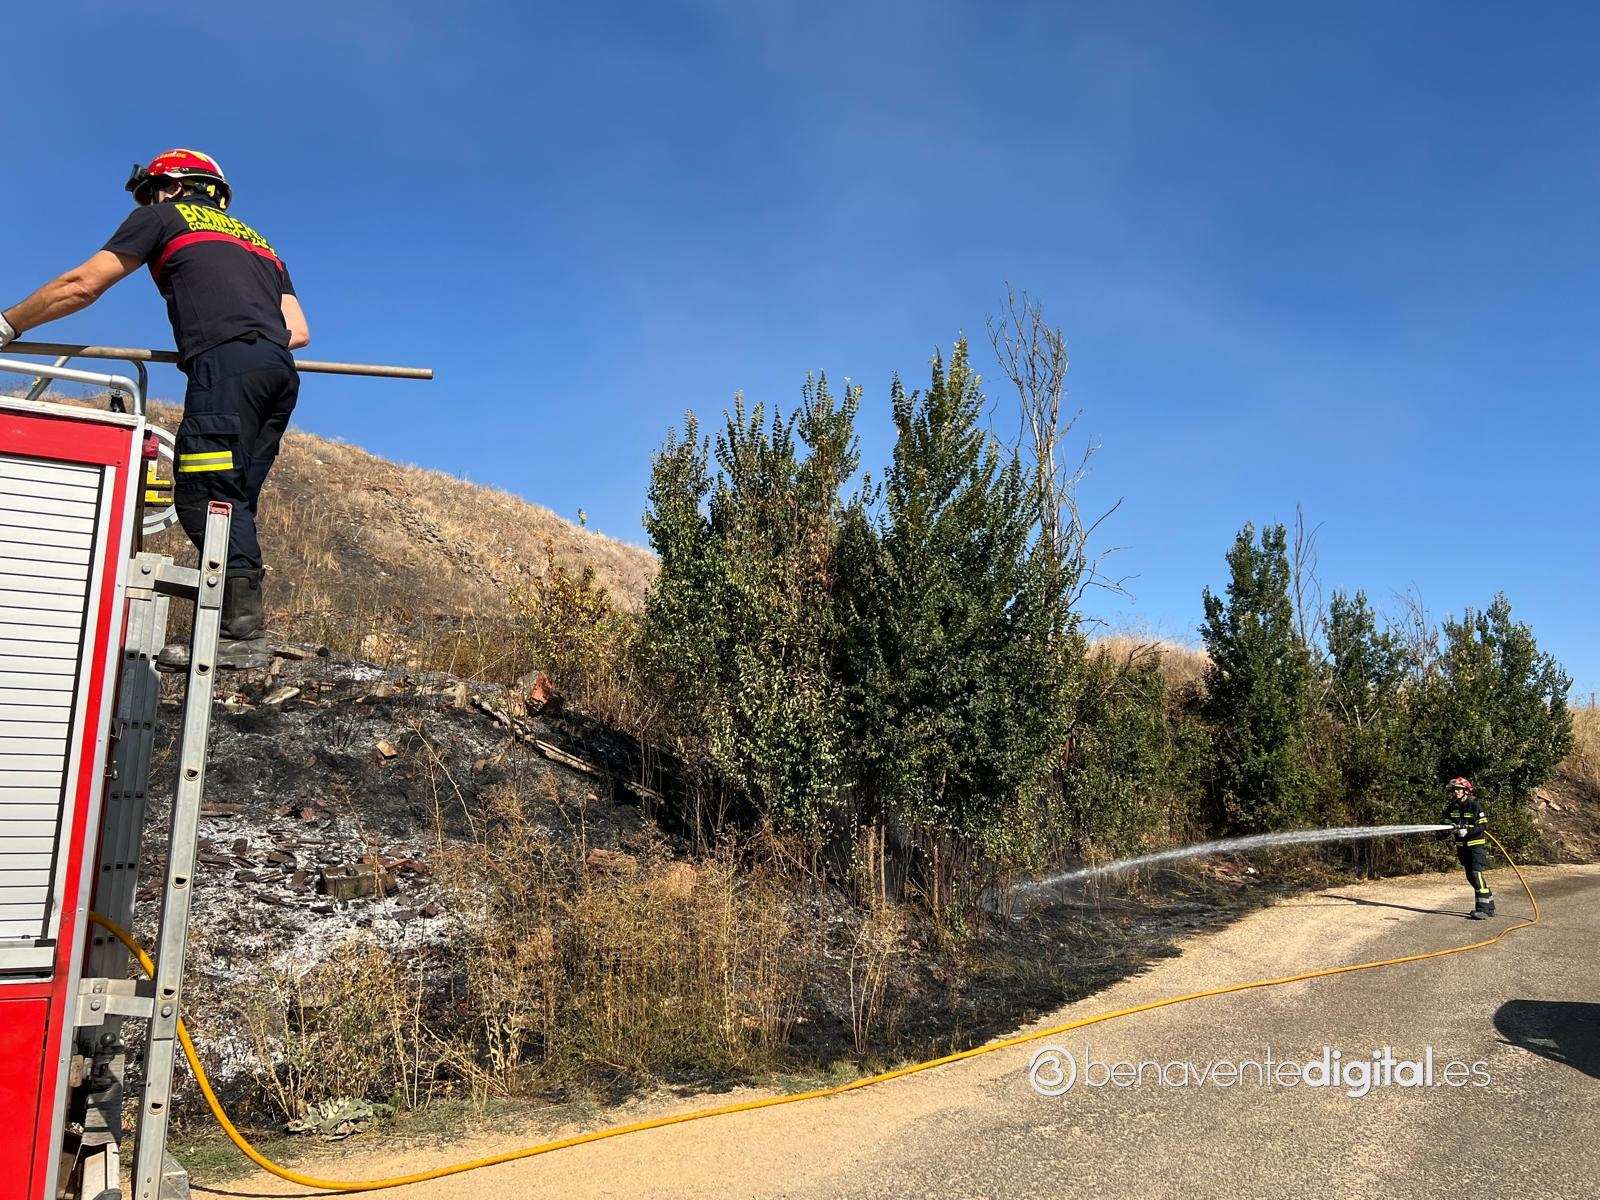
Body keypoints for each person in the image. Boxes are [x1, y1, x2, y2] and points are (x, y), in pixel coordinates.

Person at [0, 148, 309, 668]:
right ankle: (239, 630)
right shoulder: (259, 243)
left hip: (225, 368)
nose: (148, 202)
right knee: (234, 502)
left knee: (205, 495)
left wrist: (10, 324)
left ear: (173, 187)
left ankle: (240, 638)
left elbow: (83, 286)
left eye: (150, 192)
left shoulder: (163, 217)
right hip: (277, 373)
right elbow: (297, 331)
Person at [1442, 777, 1495, 919]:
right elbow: (1445, 823)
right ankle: (1489, 906)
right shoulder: (1452, 806)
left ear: (1466, 790)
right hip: (1462, 848)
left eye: (1459, 789)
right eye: (1454, 789)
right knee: (1471, 877)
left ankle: (1483, 910)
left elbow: (1483, 825)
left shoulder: (1474, 804)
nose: (1456, 792)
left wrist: (1468, 831)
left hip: (1475, 846)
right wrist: (1446, 830)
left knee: (1476, 875)